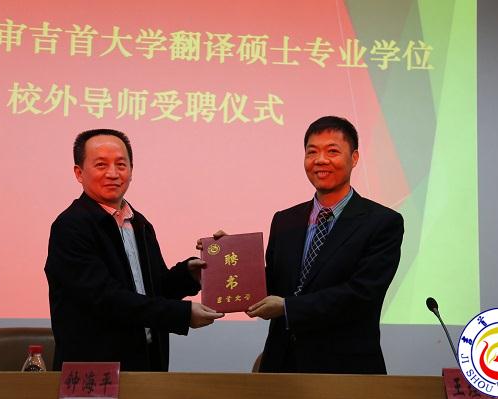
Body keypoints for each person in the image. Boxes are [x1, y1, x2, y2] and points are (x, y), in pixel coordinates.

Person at [45, 129, 223, 371]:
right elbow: (104, 298)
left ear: (131, 170)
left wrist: (191, 273)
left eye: (121, 164)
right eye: (101, 165)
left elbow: (154, 290)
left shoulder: (138, 223)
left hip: (146, 363)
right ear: (79, 173)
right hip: (96, 370)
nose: (113, 173)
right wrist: (181, 315)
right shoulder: (70, 226)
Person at [247, 116, 404, 374]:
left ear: (354, 158)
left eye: (332, 151)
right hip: (282, 366)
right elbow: (272, 283)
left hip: (346, 370)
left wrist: (288, 307)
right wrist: (230, 259)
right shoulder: (285, 220)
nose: (320, 160)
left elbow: (362, 294)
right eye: (312, 152)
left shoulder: (382, 222)